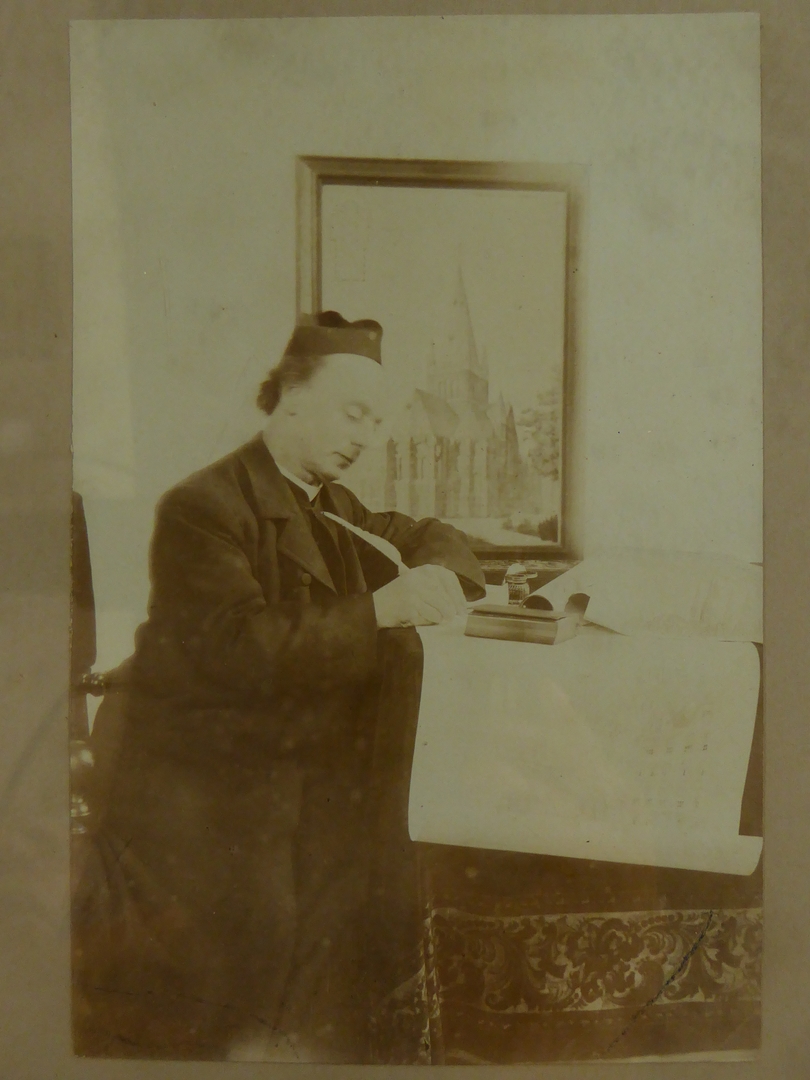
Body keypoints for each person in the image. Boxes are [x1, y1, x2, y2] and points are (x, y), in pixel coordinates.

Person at [72, 311, 486, 1063]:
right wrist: (380, 608)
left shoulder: (331, 503)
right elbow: (236, 650)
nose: (366, 437)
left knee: (392, 862)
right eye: (352, 413)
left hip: (289, 764)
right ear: (293, 398)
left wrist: (437, 572)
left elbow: (427, 535)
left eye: (377, 422)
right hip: (206, 780)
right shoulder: (204, 507)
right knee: (293, 910)